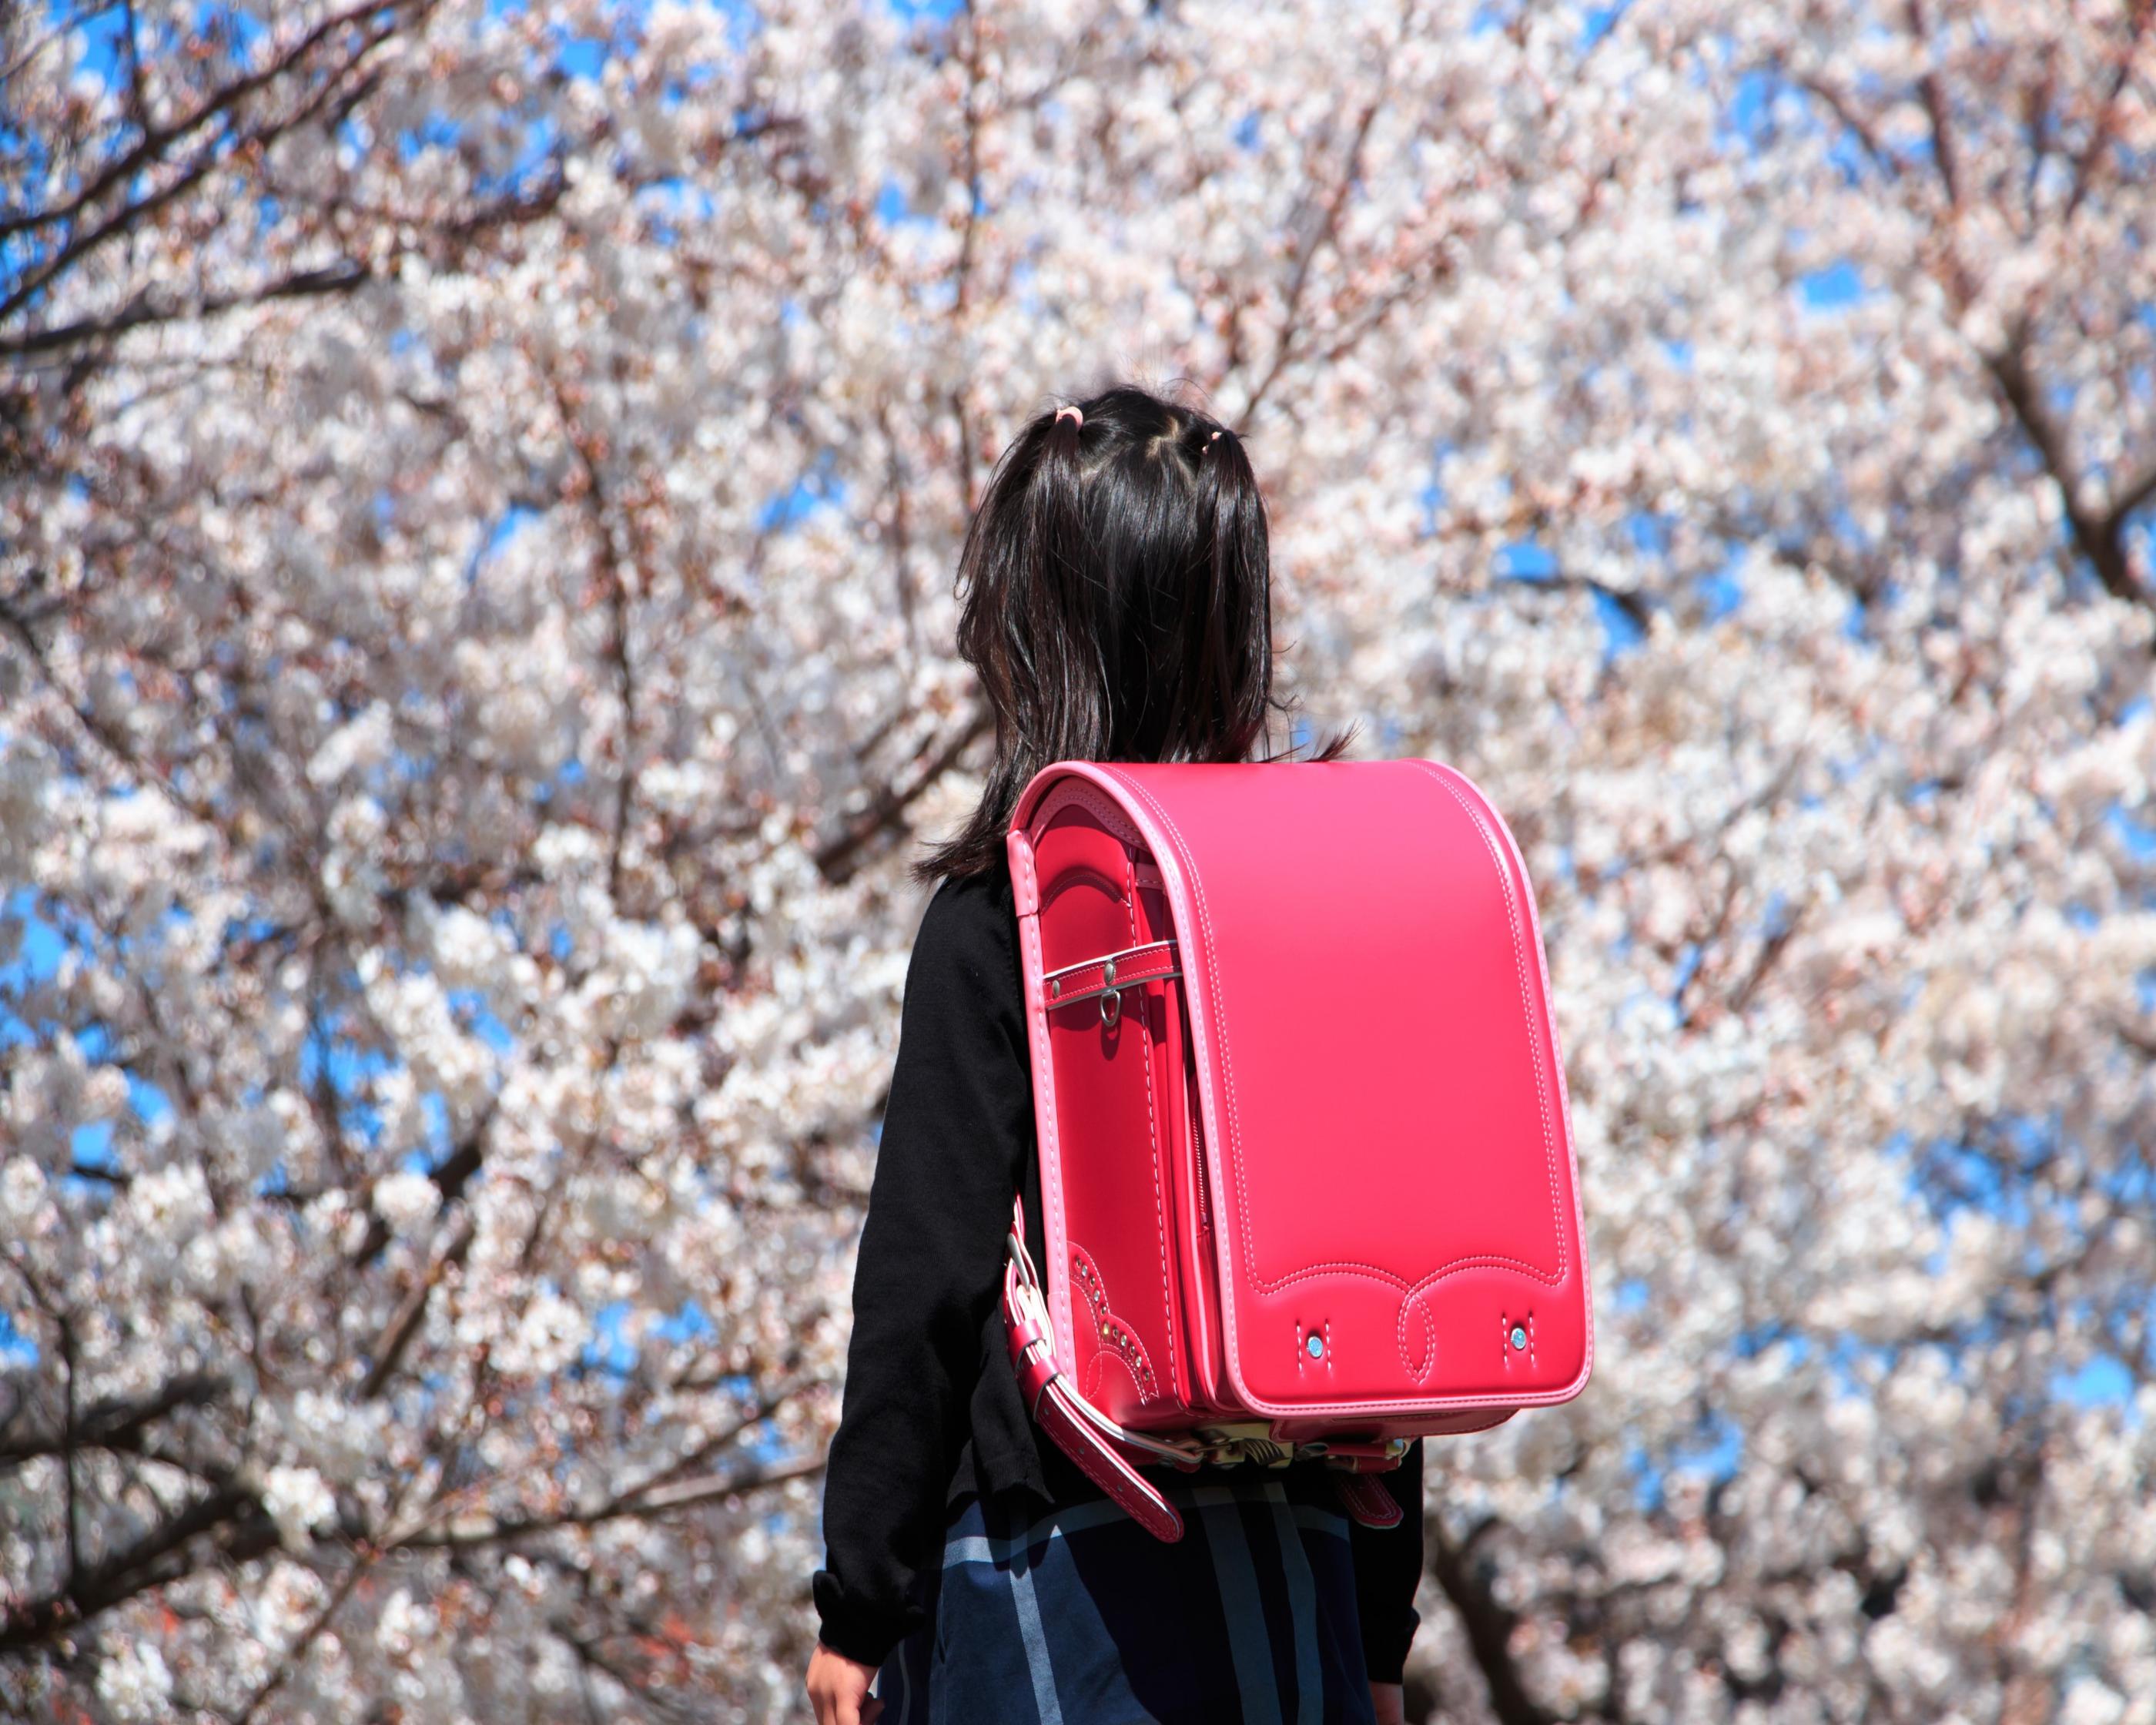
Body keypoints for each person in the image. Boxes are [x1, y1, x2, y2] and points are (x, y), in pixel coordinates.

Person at [806, 386, 1421, 1725]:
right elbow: (1365, 1270)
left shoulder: (1006, 916)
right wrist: (1380, 1623)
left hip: (1059, 1558)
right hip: (1300, 1549)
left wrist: (858, 1598)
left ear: (1031, 625)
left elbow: (925, 1278)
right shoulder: (1312, 896)